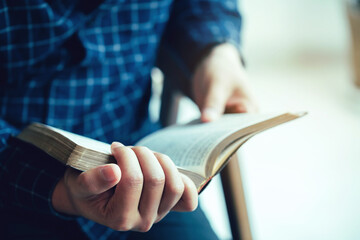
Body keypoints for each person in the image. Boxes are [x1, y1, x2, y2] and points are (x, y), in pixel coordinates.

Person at [0, 0, 256, 239]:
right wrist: (60, 190)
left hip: (140, 159)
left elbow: (201, 7)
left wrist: (215, 50)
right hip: (13, 179)